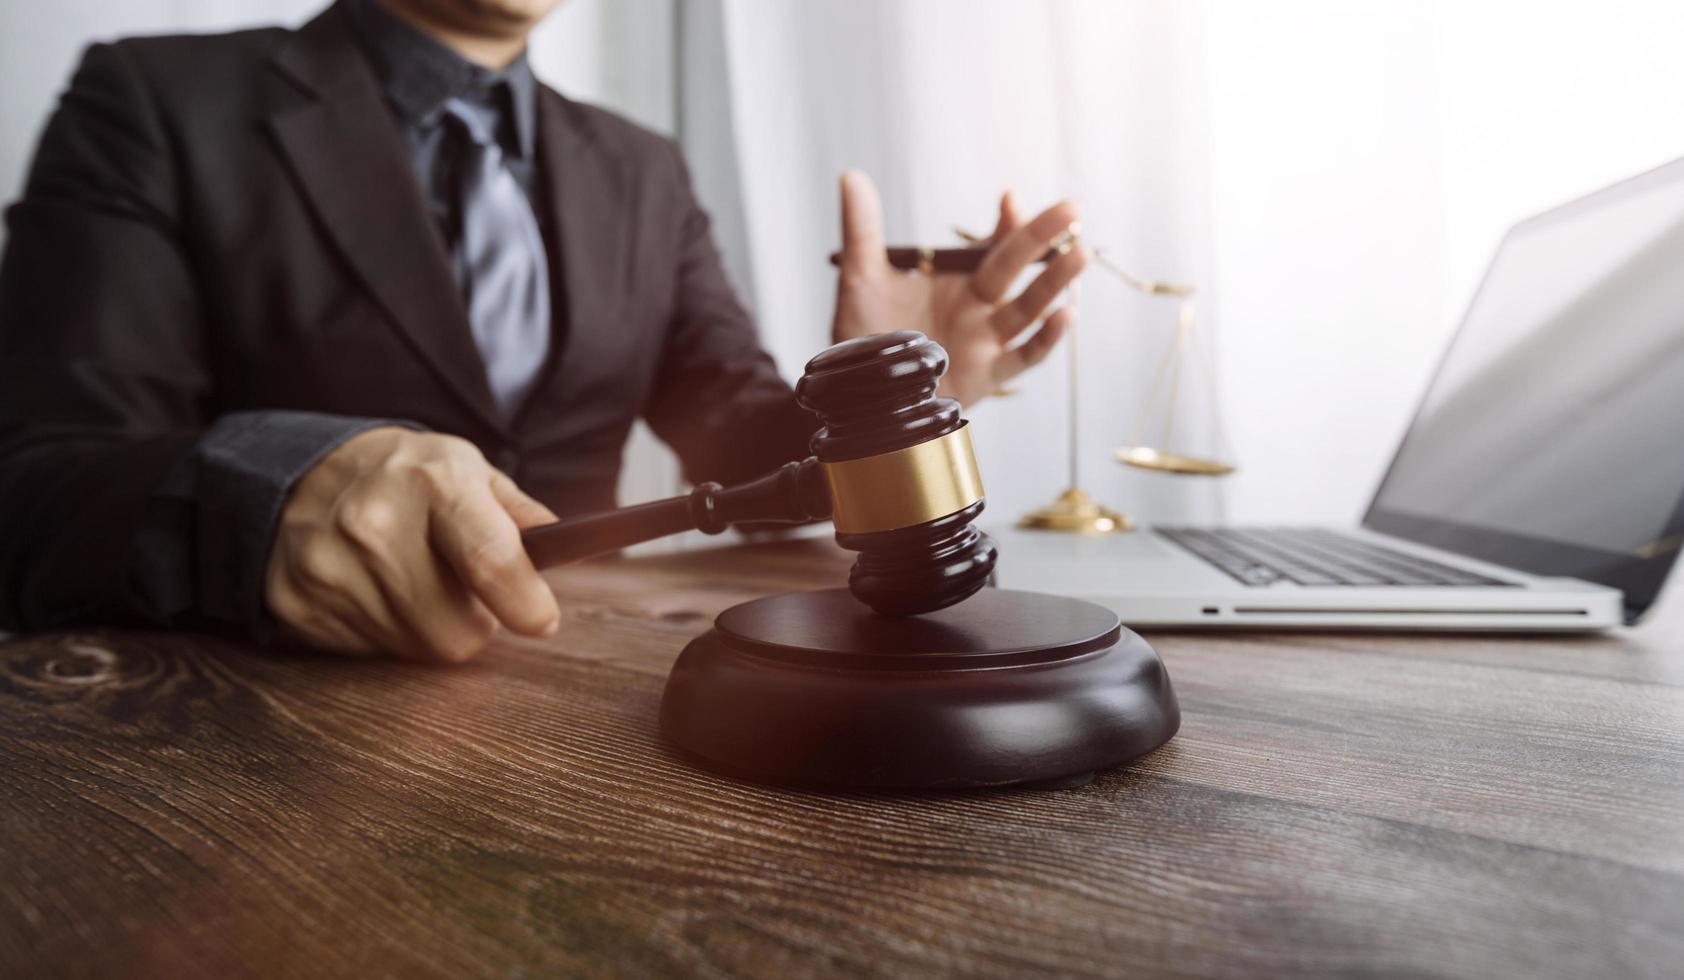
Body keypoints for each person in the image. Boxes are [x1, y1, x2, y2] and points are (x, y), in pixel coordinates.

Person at [0, 0, 1088, 662]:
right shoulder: (154, 98)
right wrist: (269, 484)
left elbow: (736, 443)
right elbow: (39, 484)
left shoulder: (640, 167)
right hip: (239, 729)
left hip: (603, 701)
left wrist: (868, 399)